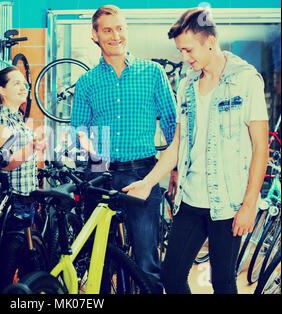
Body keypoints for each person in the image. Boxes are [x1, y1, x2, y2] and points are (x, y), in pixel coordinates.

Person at [122, 8, 269, 294]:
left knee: (223, 283)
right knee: (172, 276)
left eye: (188, 50)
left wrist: (250, 204)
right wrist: (148, 182)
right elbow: (178, 144)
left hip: (228, 204)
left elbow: (260, 147)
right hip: (191, 200)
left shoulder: (245, 79)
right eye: (180, 51)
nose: (184, 58)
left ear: (210, 41)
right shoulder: (187, 84)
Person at [70, 5, 177, 293]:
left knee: (145, 261)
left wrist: (176, 168)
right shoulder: (87, 82)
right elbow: (78, 127)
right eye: (107, 30)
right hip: (99, 174)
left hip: (142, 172)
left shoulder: (152, 73)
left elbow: (172, 124)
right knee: (99, 259)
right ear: (95, 35)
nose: (115, 35)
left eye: (119, 28)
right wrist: (85, 142)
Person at [0, 66, 47, 228]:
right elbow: (6, 163)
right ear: (2, 91)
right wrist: (32, 148)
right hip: (13, 201)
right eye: (17, 83)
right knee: (14, 251)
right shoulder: (2, 121)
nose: (24, 88)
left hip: (25, 199)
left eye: (24, 84)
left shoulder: (17, 118)